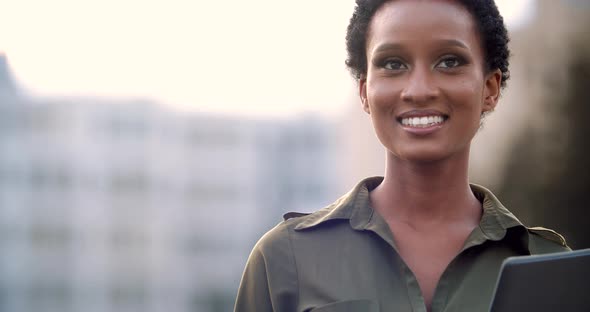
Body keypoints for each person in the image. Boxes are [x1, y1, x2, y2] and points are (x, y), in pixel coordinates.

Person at [234, 0, 570, 311]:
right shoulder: (284, 260)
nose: (419, 89)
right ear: (365, 92)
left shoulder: (552, 267)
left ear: (490, 88)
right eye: (393, 64)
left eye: (449, 61)